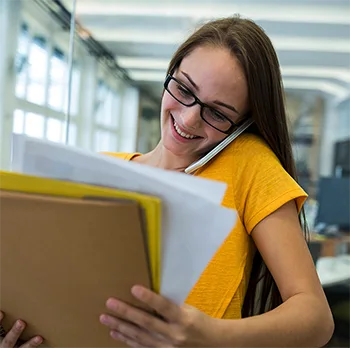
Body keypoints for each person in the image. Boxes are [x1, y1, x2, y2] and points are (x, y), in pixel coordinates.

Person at [0, 15, 334, 348]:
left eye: (218, 113)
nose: (188, 118)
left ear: (241, 125)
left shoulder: (246, 164)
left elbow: (316, 318)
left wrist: (210, 336)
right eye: (184, 89)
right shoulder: (98, 171)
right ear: (169, 73)